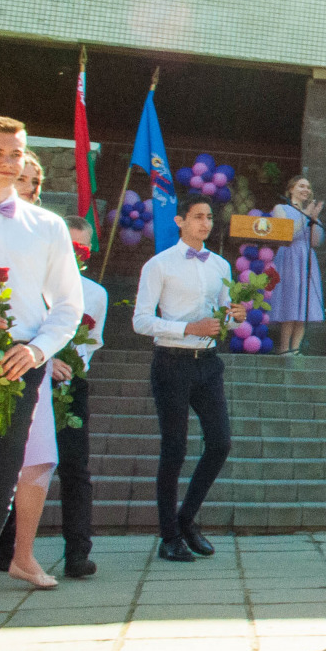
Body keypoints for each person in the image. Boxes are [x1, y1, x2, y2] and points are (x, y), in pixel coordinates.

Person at [0, 118, 84, 590]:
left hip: (16, 369)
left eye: (16, 153)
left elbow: (69, 305)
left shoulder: (46, 226)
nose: (9, 163)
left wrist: (38, 350)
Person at [133, 193, 246, 563]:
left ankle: (185, 518)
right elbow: (141, 320)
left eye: (210, 217)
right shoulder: (159, 264)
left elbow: (224, 316)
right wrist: (187, 328)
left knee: (220, 443)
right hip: (171, 362)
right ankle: (169, 536)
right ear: (180, 221)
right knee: (175, 448)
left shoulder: (219, 266)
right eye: (198, 217)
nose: (206, 224)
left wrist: (236, 315)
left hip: (208, 362)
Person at [272, 175, 326, 355]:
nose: (306, 190)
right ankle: (284, 347)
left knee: (304, 303)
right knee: (291, 301)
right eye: (302, 186)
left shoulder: (309, 213)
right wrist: (306, 216)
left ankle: (296, 348)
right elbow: (287, 234)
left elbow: (315, 242)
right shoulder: (281, 209)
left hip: (307, 257)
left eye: (308, 187)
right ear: (291, 189)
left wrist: (314, 220)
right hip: (290, 256)